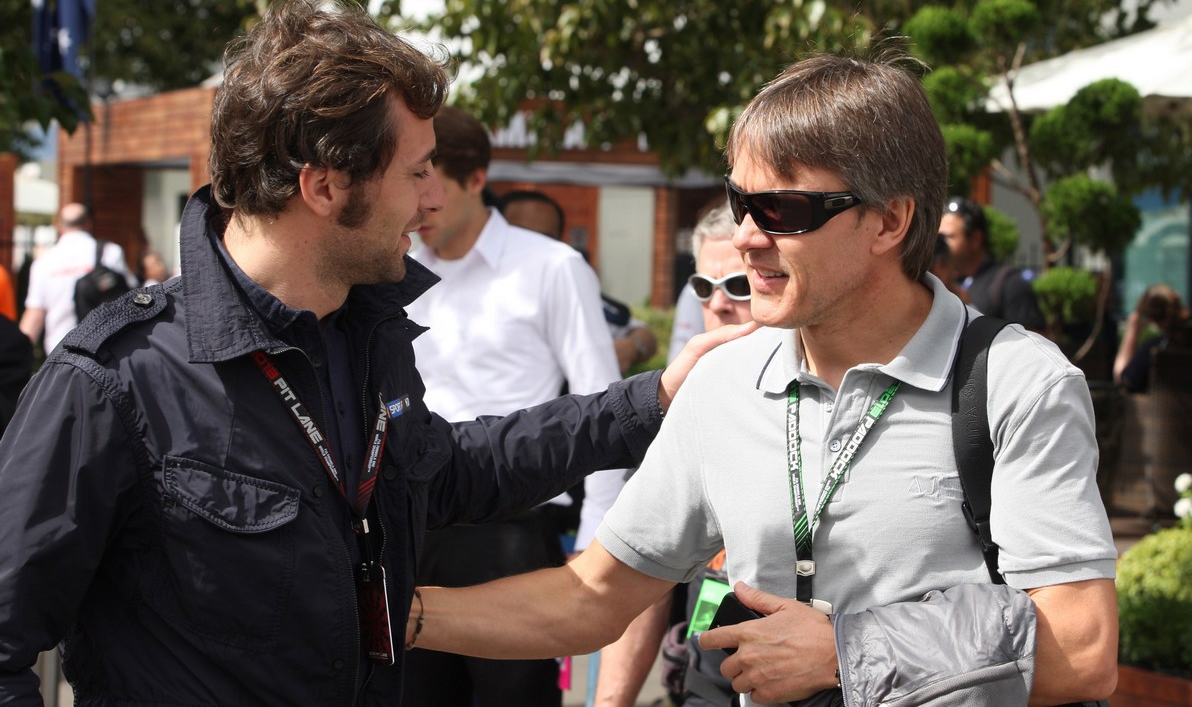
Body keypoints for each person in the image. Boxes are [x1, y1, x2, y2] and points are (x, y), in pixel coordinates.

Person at [0, 0, 743, 707]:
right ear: (325, 186)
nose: (431, 200)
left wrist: (653, 400)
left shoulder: (361, 330)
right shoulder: (112, 380)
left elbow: (450, 470)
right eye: (416, 172)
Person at [409, 52, 1118, 706]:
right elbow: (590, 595)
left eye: (782, 210)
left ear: (890, 220)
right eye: (742, 201)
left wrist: (849, 650)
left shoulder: (1015, 381)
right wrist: (385, 615)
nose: (746, 234)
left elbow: (1082, 647)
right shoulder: (726, 380)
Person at [402, 109, 628, 707]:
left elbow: (603, 407)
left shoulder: (551, 267)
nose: (421, 205)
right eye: (411, 183)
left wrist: (598, 539)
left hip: (511, 530)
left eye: (435, 185)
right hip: (411, 524)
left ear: (476, 178)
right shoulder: (395, 274)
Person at [591, 199, 752, 707]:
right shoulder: (686, 403)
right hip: (704, 677)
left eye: (739, 287)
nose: (719, 304)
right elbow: (642, 577)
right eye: (704, 288)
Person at [500, 188, 659, 373]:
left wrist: (632, 347)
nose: (534, 247)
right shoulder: (474, 292)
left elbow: (643, 334)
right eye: (522, 236)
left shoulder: (567, 291)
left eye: (545, 239)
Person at [19, 202, 137, 355]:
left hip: (60, 351)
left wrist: (19, 356)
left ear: (59, 225)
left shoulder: (43, 262)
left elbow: (35, 315)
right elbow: (132, 295)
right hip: (106, 350)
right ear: (88, 223)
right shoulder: (110, 252)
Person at [938, 196, 1045, 330]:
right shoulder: (940, 282)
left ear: (976, 239)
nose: (939, 244)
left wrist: (970, 310)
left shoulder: (1010, 285)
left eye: (948, 237)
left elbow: (1033, 344)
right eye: (938, 237)